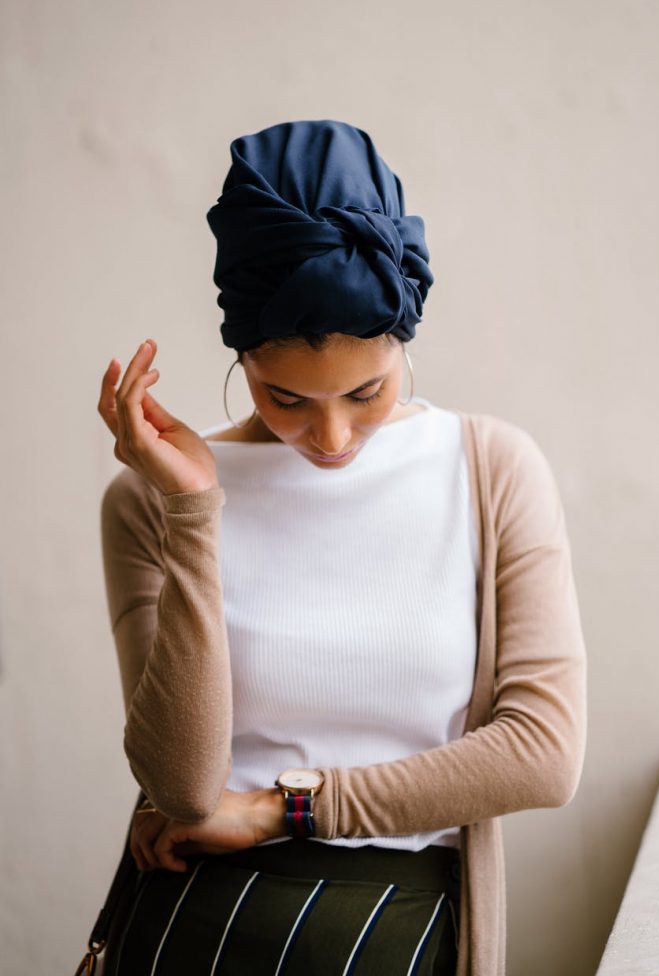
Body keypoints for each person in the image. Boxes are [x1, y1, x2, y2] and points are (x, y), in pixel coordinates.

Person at [97, 120, 587, 976]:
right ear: (240, 356)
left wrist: (280, 809)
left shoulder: (490, 470)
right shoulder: (152, 497)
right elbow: (179, 786)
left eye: (366, 392)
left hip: (398, 926)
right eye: (284, 397)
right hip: (195, 927)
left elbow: (542, 753)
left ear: (404, 341)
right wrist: (193, 511)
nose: (329, 438)